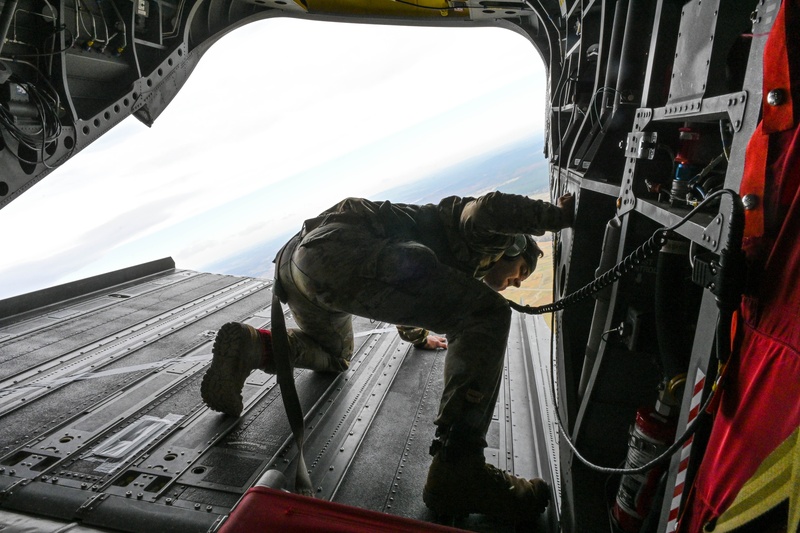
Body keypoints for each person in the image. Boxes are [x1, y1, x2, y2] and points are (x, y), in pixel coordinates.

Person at [201, 190, 574, 522]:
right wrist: (559, 218)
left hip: (297, 264)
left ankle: (253, 346)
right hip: (341, 251)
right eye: (523, 270)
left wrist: (417, 337)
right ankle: (459, 466)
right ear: (512, 247)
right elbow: (489, 208)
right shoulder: (486, 238)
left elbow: (405, 294)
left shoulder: (436, 242)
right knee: (487, 314)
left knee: (334, 355)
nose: (520, 282)